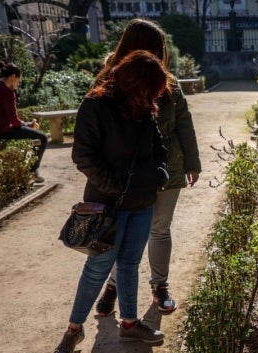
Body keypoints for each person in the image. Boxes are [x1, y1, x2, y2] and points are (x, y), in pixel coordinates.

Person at [52, 50, 171, 353]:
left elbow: (159, 149)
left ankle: (129, 323)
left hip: (142, 202)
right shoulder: (96, 106)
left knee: (130, 264)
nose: (153, 95)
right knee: (97, 269)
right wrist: (119, 186)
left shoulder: (144, 108)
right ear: (135, 83)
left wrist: (159, 174)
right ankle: (73, 329)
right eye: (151, 88)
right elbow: (84, 157)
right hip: (107, 205)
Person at [93, 18, 201, 316]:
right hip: (124, 175)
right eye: (158, 48)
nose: (162, 54)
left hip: (167, 170)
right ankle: (113, 287)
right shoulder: (109, 81)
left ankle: (160, 285)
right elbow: (96, 131)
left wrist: (193, 163)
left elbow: (184, 125)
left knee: (159, 229)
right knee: (123, 233)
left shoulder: (168, 83)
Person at [0, 62, 48, 183]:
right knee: (43, 138)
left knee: (30, 131)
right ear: (13, 77)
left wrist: (25, 124)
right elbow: (14, 120)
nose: (18, 84)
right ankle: (32, 172)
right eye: (18, 80)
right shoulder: (7, 92)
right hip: (0, 131)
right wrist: (28, 125)